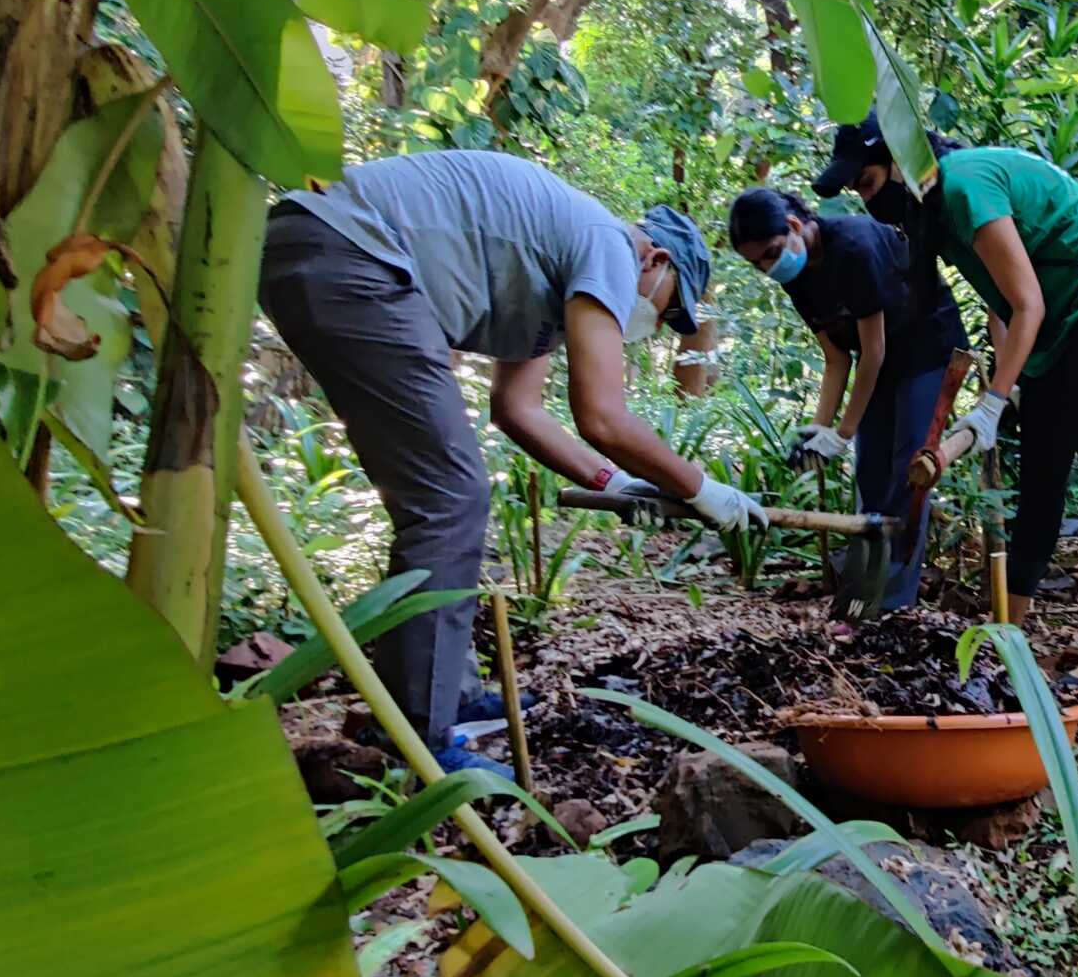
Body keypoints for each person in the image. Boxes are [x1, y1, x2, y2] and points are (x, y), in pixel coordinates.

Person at [262, 150, 768, 777]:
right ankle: (419, 736)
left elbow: (517, 408)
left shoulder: (556, 287)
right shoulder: (610, 245)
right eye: (666, 310)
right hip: (352, 250)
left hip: (325, 247)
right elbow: (603, 417)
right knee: (451, 497)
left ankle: (448, 693)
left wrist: (615, 483)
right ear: (656, 261)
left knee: (443, 494)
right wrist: (703, 489)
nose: (657, 325)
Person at [812, 116, 1078, 681]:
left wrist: (993, 402)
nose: (866, 200)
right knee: (1041, 483)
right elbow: (1002, 300)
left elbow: (1027, 304)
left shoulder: (964, 184)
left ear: (899, 163)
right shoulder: (936, 218)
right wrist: (1009, 381)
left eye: (868, 183)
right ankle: (1009, 637)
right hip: (1055, 327)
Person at [726, 187, 970, 613]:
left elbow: (870, 351)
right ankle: (862, 593)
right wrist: (820, 429)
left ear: (795, 227)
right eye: (756, 263)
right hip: (883, 360)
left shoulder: (854, 245)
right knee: (869, 473)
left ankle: (893, 603)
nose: (767, 267)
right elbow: (836, 356)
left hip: (929, 348)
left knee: (907, 469)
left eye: (770, 253)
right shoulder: (795, 275)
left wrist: (842, 431)